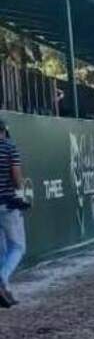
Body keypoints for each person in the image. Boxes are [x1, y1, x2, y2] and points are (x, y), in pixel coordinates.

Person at [0, 119, 26, 308]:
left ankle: (5, 291)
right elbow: (16, 177)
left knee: (2, 250)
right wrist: (20, 189)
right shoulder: (9, 147)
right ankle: (2, 278)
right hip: (6, 204)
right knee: (17, 247)